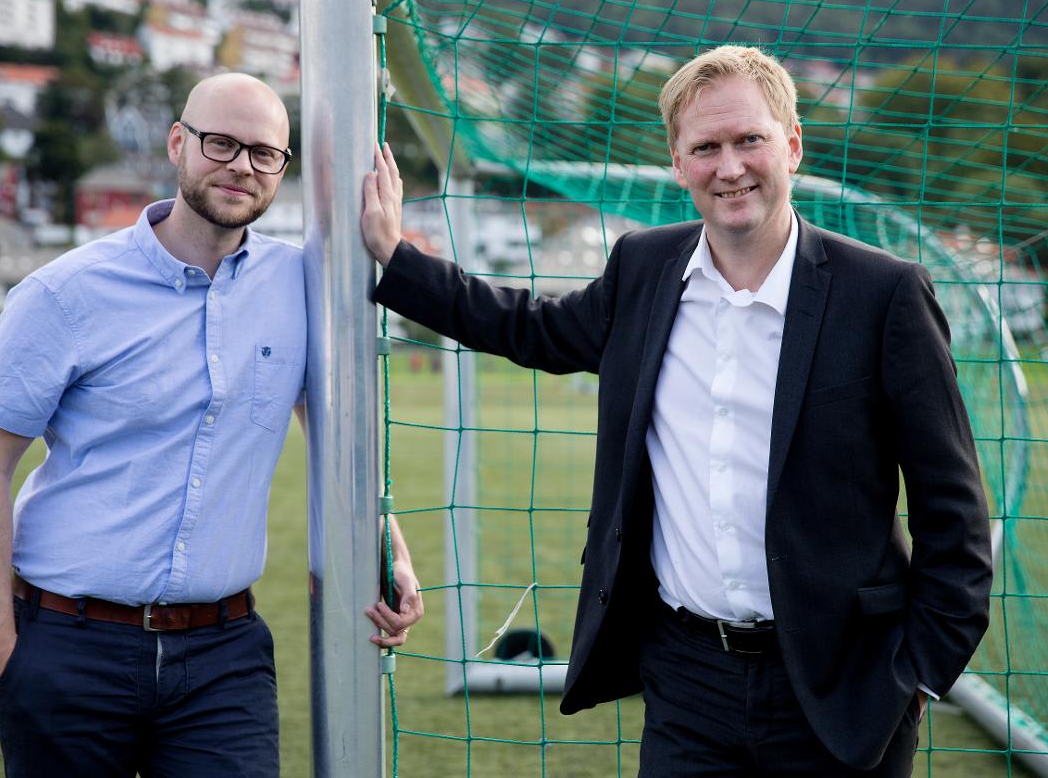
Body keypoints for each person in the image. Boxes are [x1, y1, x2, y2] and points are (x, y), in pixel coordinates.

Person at [360, 46, 991, 775]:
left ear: (791, 145)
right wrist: (396, 257)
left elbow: (954, 513)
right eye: (706, 148)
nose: (730, 167)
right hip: (687, 679)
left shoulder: (883, 293)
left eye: (749, 140)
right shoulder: (644, 268)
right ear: (677, 162)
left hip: (842, 680)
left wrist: (915, 674)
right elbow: (529, 327)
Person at [0, 72, 423, 778]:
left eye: (264, 153)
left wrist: (390, 548)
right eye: (221, 143)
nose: (242, 166)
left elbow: (337, 436)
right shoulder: (65, 293)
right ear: (178, 143)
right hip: (69, 649)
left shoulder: (302, 288)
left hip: (222, 658)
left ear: (282, 167)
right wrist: (3, 651)